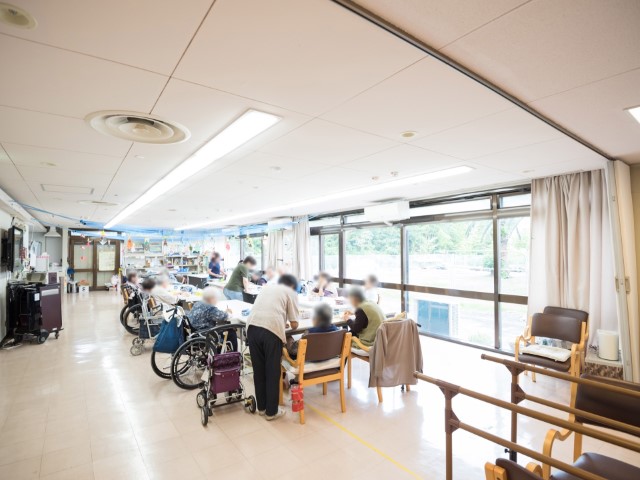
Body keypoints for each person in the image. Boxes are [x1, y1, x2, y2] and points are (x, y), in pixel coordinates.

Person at [246, 274, 300, 421]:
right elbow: (295, 324)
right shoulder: (291, 292)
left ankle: (262, 408)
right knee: (272, 371)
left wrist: (281, 320)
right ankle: (271, 412)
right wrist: (285, 322)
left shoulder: (267, 287)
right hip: (271, 330)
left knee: (259, 370)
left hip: (252, 327)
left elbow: (267, 309)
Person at [189, 287, 237, 351]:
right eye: (216, 298)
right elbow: (224, 316)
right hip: (205, 334)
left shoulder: (197, 303)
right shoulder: (210, 308)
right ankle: (232, 355)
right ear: (211, 298)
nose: (216, 301)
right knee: (231, 332)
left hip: (195, 332)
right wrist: (228, 312)